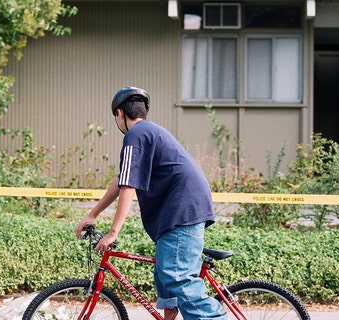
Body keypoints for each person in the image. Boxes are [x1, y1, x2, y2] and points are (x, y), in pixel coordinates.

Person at [75, 87, 227, 320]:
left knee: (178, 277)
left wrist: (113, 232)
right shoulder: (149, 132)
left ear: (120, 114)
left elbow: (128, 187)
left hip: (181, 211)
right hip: (181, 211)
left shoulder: (135, 136)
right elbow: (121, 179)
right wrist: (93, 214)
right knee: (166, 276)